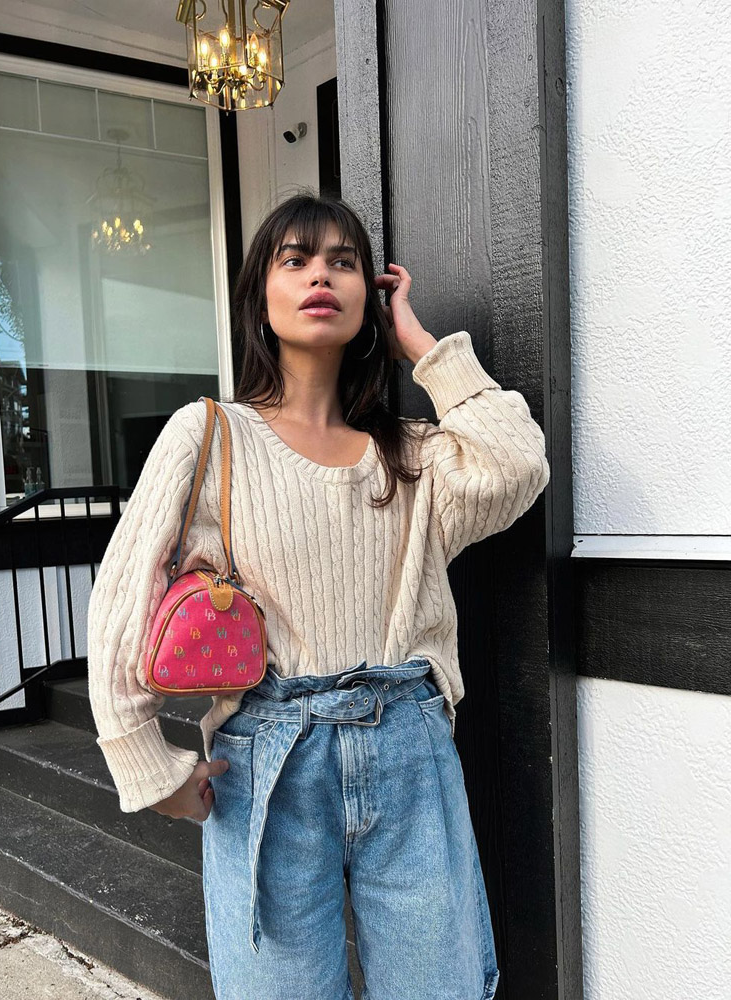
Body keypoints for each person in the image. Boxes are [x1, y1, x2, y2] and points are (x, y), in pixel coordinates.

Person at [87, 192, 550, 999]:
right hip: (268, 750)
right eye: (293, 260)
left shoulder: (409, 453)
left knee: (439, 986)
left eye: (343, 261)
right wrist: (148, 765)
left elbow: (518, 466)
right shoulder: (209, 436)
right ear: (260, 298)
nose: (319, 276)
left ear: (368, 299)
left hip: (410, 743)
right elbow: (122, 598)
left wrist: (423, 346)